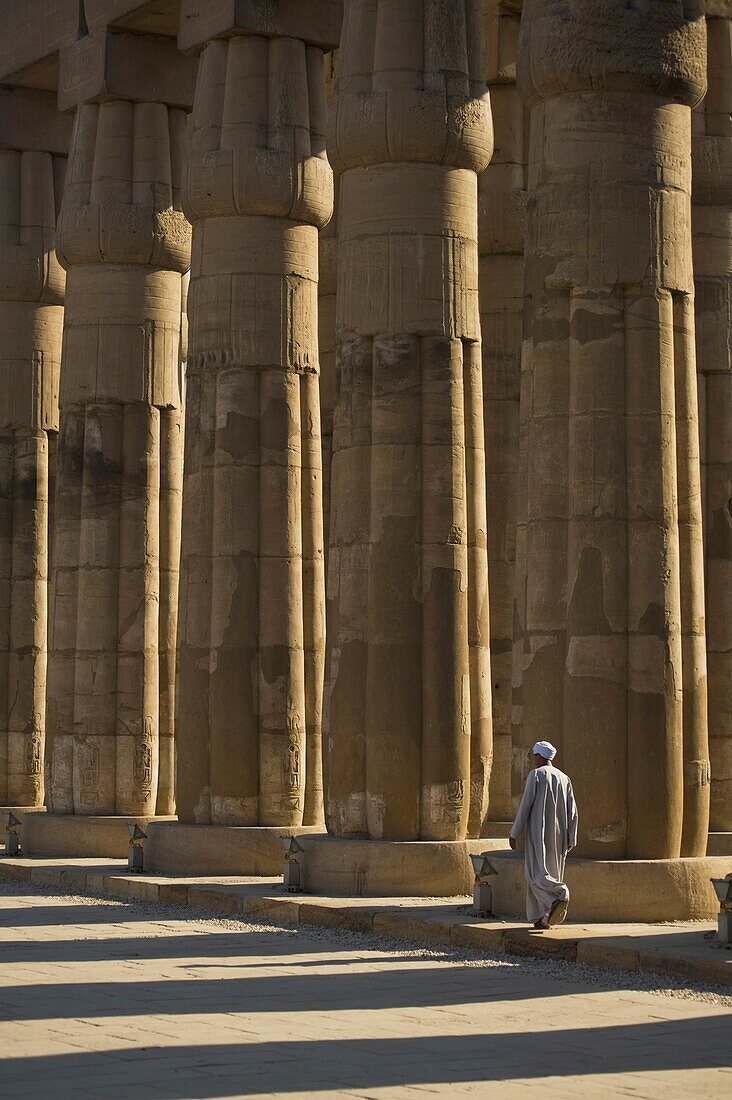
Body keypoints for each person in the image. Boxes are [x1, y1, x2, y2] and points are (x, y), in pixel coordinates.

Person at [508, 741, 578, 929]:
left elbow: (525, 806)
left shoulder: (536, 775)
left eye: (534, 756)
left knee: (534, 875)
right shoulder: (565, 778)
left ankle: (559, 894)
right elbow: (573, 812)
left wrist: (514, 832)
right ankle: (544, 918)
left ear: (539, 756)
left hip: (539, 834)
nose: (533, 759)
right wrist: (572, 837)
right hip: (560, 837)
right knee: (553, 871)